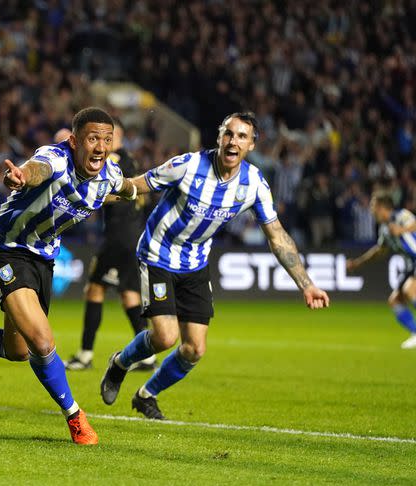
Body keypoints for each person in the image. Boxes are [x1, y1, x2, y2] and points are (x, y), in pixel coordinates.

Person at [0, 107, 139, 444]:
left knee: (15, 349)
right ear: (74, 141)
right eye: (93, 139)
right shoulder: (55, 159)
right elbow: (37, 169)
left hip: (43, 258)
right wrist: (20, 176)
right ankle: (76, 418)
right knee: (43, 342)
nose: (101, 147)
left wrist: (161, 187)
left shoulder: (109, 175)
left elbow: (130, 187)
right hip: (5, 248)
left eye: (107, 140)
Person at [100, 112, 330, 420]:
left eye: (242, 136)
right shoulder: (188, 165)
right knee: (165, 338)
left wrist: (307, 284)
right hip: (158, 254)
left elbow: (277, 236)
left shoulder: (254, 185)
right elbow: (138, 185)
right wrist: (99, 194)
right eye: (228, 134)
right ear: (220, 138)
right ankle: (120, 363)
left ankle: (146, 395)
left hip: (195, 263)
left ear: (251, 146)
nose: (233, 141)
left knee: (194, 349)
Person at [65, 119, 155, 371]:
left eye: (106, 137)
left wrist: (87, 198)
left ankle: (85, 354)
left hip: (118, 237)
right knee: (129, 295)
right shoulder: (132, 161)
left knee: (94, 289)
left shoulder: (113, 159)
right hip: (133, 235)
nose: (101, 144)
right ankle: (146, 354)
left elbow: (104, 191)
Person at [346, 192, 416, 349]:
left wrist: (402, 230)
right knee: (395, 300)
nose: (371, 210)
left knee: (410, 290)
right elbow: (379, 251)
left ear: (383, 208)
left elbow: (414, 224)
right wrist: (357, 263)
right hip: (411, 265)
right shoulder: (384, 229)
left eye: (373, 206)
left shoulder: (402, 215)